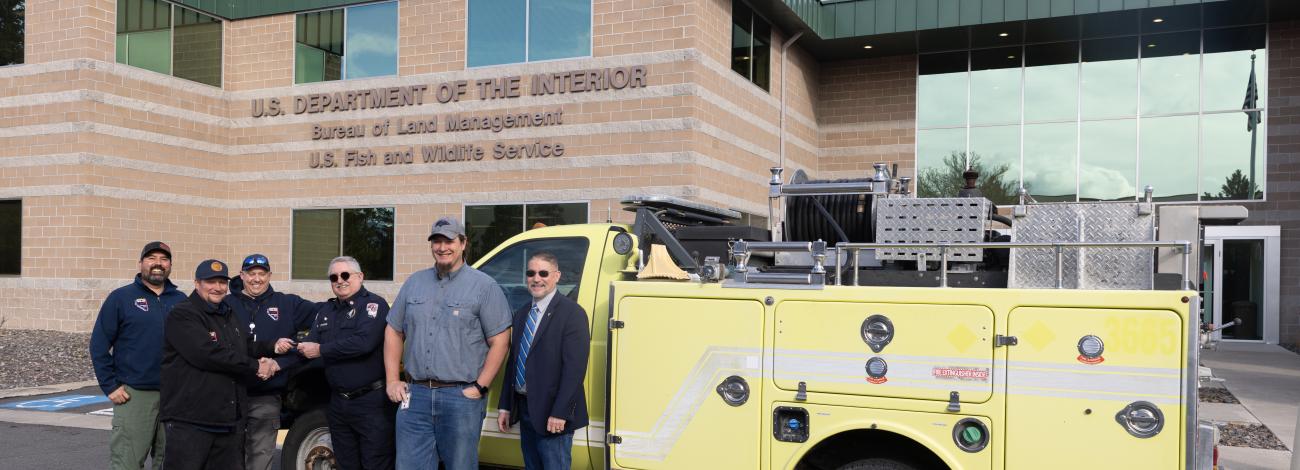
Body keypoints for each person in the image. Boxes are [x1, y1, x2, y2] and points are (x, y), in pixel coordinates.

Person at [384, 216, 512, 470]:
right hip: (415, 396)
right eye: (437, 241)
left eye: (449, 241)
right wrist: (391, 380)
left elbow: (500, 341)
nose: (442, 247)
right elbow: (393, 330)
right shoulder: (414, 283)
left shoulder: (484, 286)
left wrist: (480, 387)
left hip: (460, 398)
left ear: (463, 243)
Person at [159, 259, 281, 470]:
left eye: (222, 282)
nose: (218, 287)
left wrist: (273, 347)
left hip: (226, 421)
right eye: (210, 281)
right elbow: (207, 354)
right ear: (197, 283)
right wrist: (256, 366)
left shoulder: (227, 312)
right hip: (191, 421)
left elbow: (241, 346)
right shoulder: (183, 314)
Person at [90, 241, 186, 470]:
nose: (158, 264)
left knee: (171, 461)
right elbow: (99, 345)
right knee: (128, 462)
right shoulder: (121, 298)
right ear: (141, 263)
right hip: (135, 395)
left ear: (170, 265)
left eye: (164, 259)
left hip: (175, 396)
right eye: (152, 258)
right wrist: (110, 385)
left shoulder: (181, 300)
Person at [297, 256, 394, 470]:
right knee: (345, 464)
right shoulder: (326, 311)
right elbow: (309, 344)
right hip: (338, 403)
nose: (340, 280)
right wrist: (278, 357)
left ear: (360, 276)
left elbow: (363, 343)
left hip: (371, 403)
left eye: (345, 275)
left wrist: (321, 349)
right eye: (334, 277)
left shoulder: (373, 305)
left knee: (375, 463)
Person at [496, 252, 590, 470]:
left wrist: (560, 412)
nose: (536, 279)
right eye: (531, 273)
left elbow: (574, 370)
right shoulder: (522, 314)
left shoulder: (572, 313)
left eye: (543, 273)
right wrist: (505, 407)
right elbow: (513, 363)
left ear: (557, 276)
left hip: (552, 414)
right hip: (525, 408)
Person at [227, 253, 319, 470]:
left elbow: (327, 316)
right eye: (251, 274)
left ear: (269, 275)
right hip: (229, 395)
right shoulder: (226, 304)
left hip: (266, 396)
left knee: (260, 459)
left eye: (262, 273)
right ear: (242, 275)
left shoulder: (288, 304)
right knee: (227, 457)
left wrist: (290, 356)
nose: (256, 279)